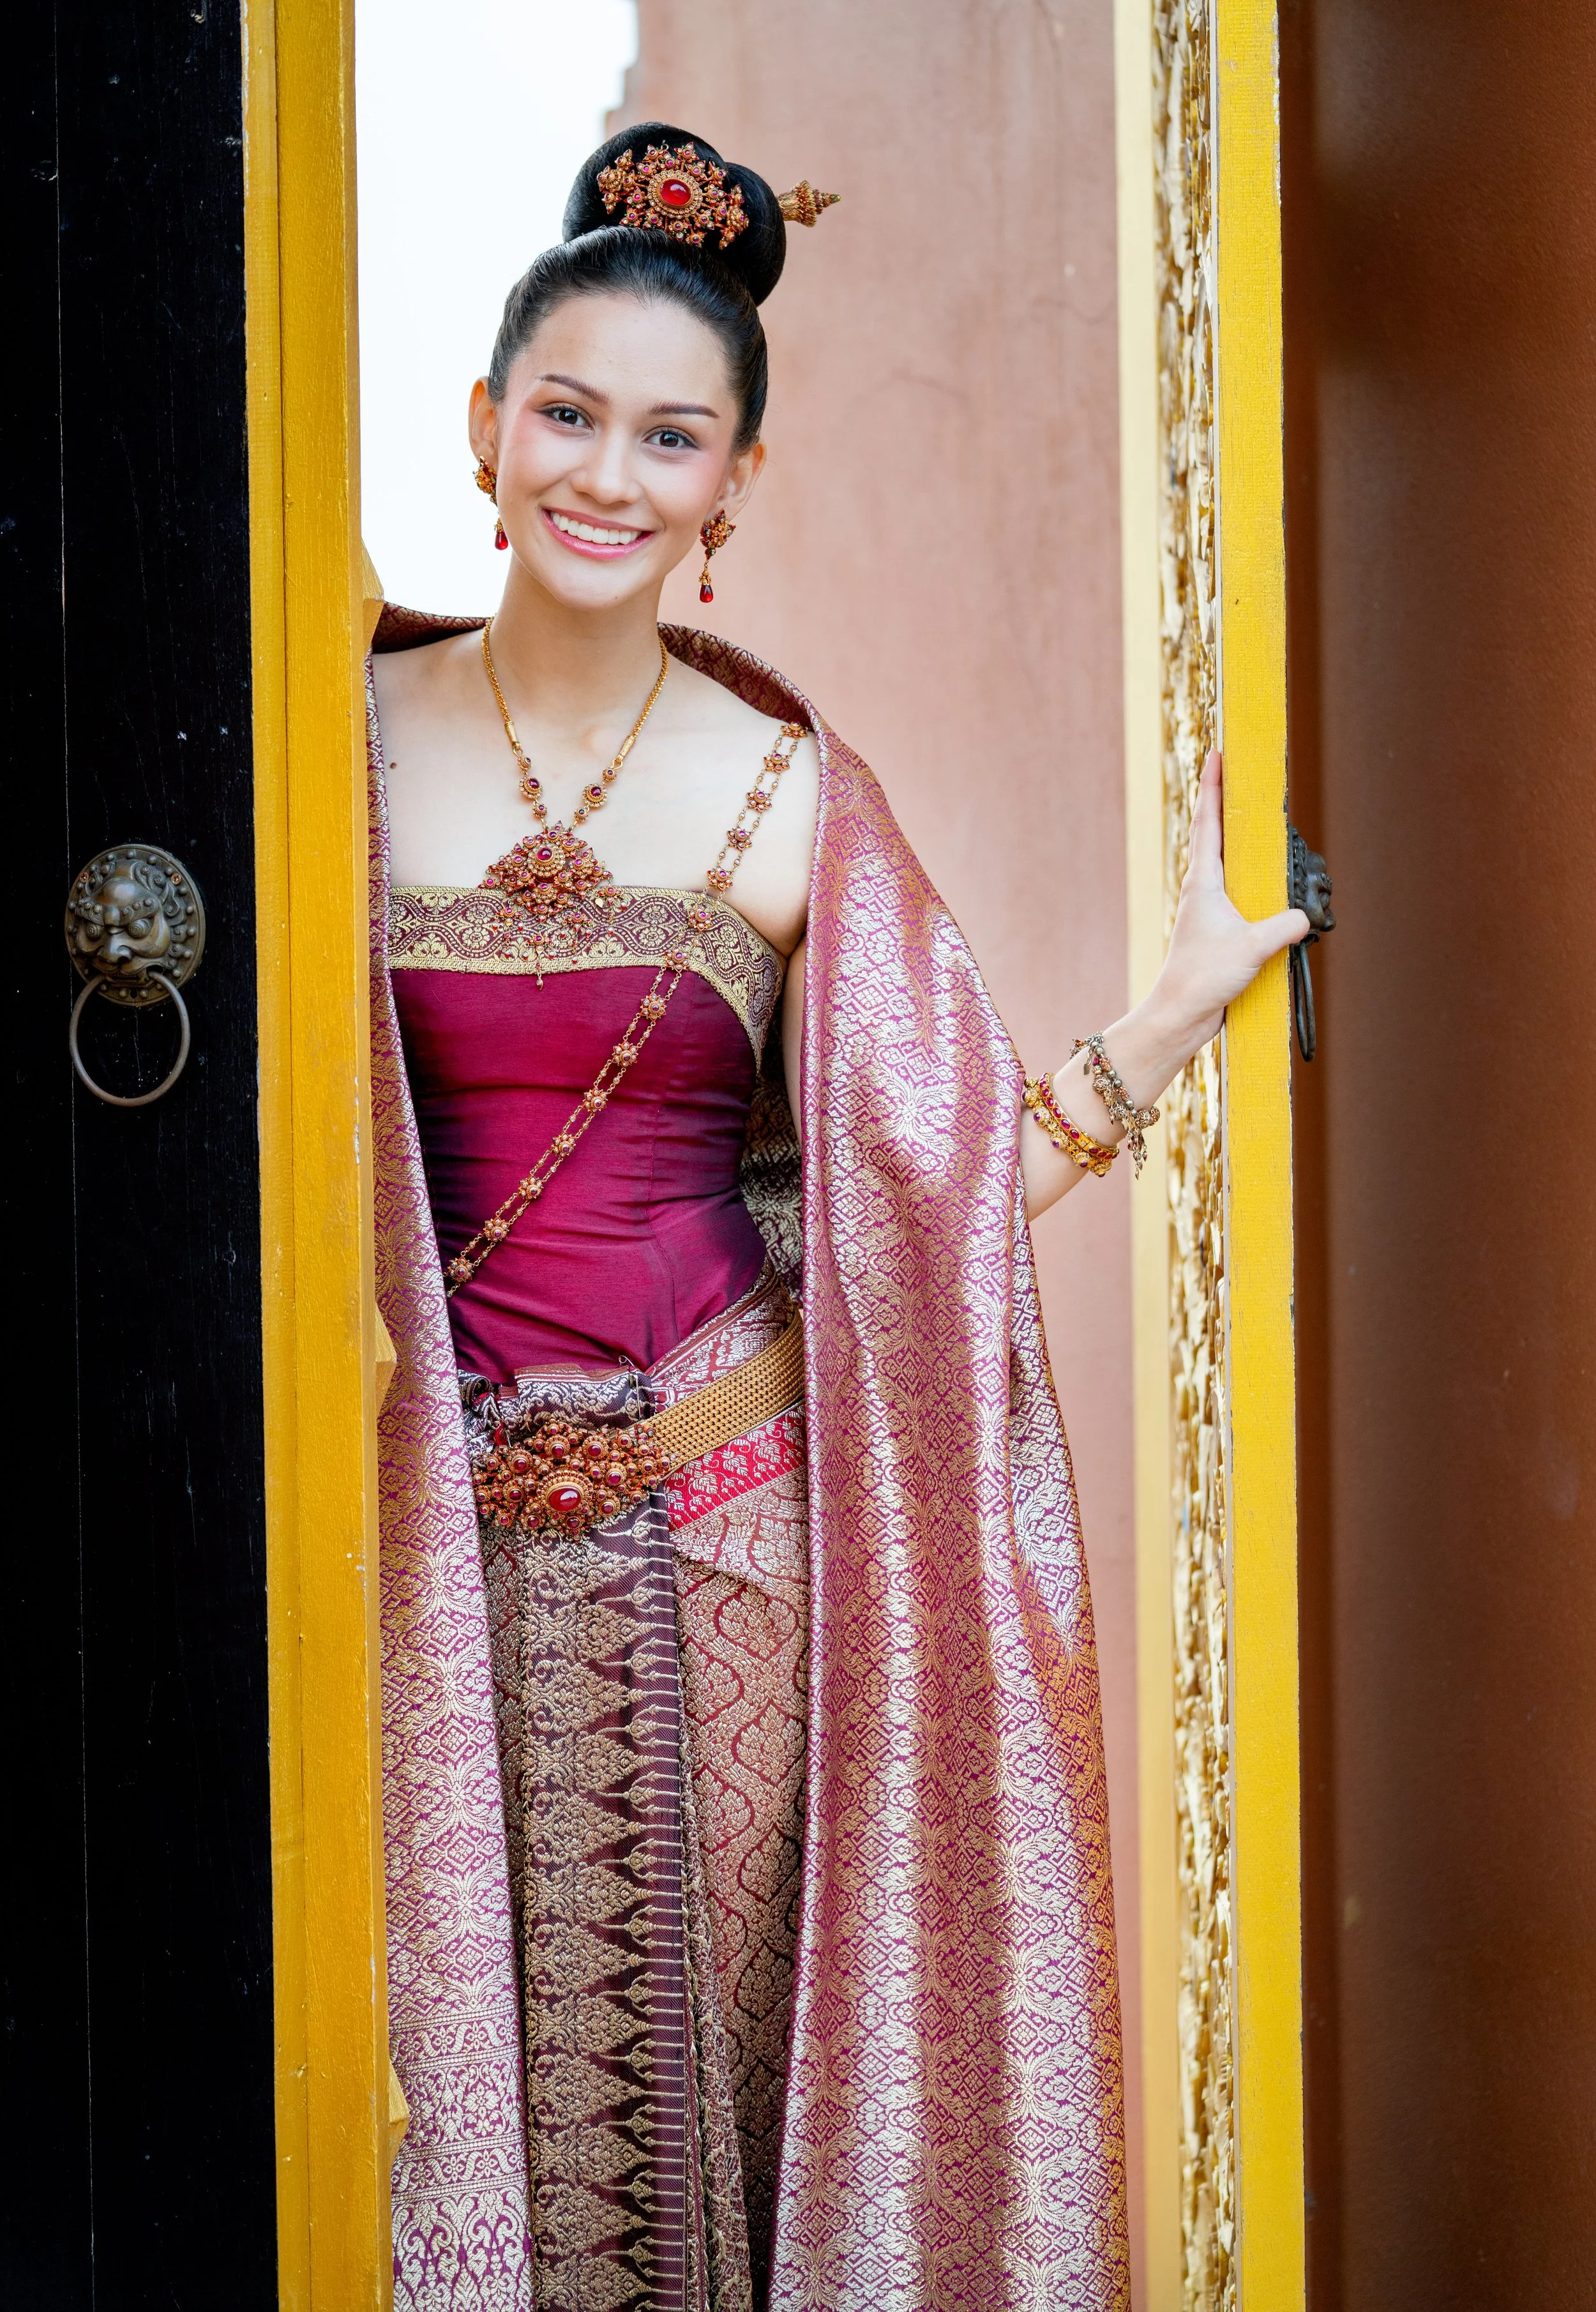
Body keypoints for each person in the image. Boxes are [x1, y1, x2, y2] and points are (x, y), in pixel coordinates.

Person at [369, 122, 1307, 2312]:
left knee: (715, 2125)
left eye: (669, 436)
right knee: (408, 2112)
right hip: (401, 1569)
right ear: (483, 437)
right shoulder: (322, 749)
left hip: (730, 1562)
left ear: (735, 487)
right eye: (568, 415)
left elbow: (933, 1204)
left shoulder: (799, 805)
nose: (610, 472)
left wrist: (1171, 1013)